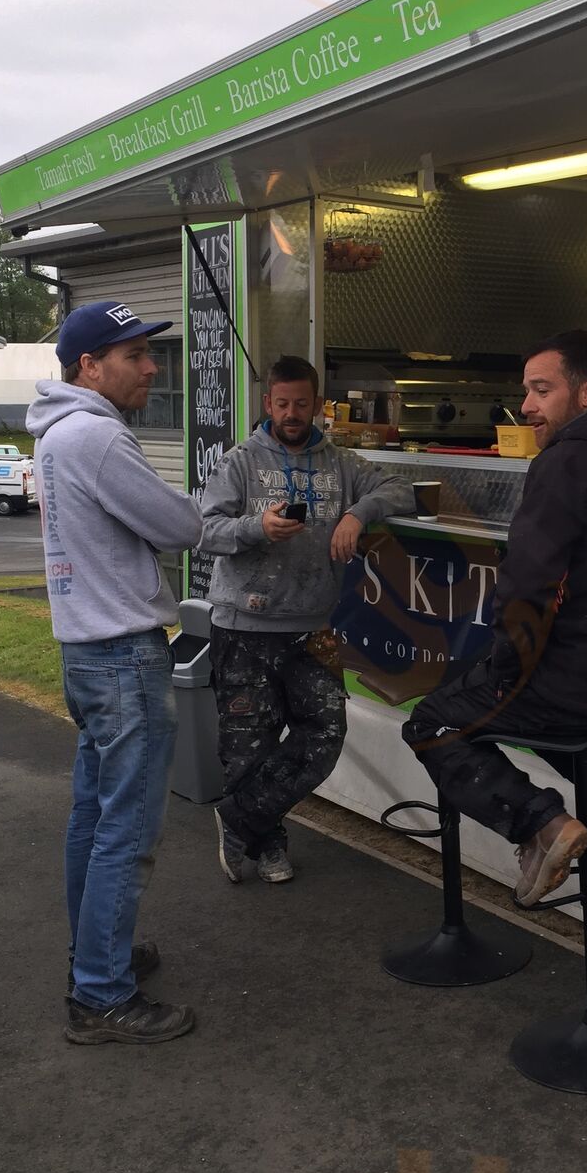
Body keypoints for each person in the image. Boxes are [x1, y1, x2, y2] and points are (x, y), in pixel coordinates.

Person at [403, 329, 587, 908]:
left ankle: (542, 825)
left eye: (541, 390)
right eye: (526, 390)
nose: (526, 405)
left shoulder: (565, 463)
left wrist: (507, 670)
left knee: (432, 723)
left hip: (580, 678)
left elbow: (527, 585)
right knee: (546, 713)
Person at [26, 301, 203, 1046]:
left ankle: (95, 958)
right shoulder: (97, 436)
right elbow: (181, 527)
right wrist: (205, 508)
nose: (151, 368)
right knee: (126, 828)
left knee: (94, 818)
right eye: (134, 355)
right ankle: (101, 996)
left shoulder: (55, 433)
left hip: (85, 652)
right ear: (89, 366)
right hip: (125, 656)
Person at [199, 354, 416, 886]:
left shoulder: (341, 463)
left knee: (325, 732)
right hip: (244, 626)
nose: (292, 414)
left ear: (318, 405)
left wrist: (356, 513)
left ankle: (239, 817)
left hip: (313, 627)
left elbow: (401, 487)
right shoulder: (240, 461)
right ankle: (268, 844)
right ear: (268, 403)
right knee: (249, 746)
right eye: (282, 404)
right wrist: (257, 528)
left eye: (301, 404)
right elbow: (205, 530)